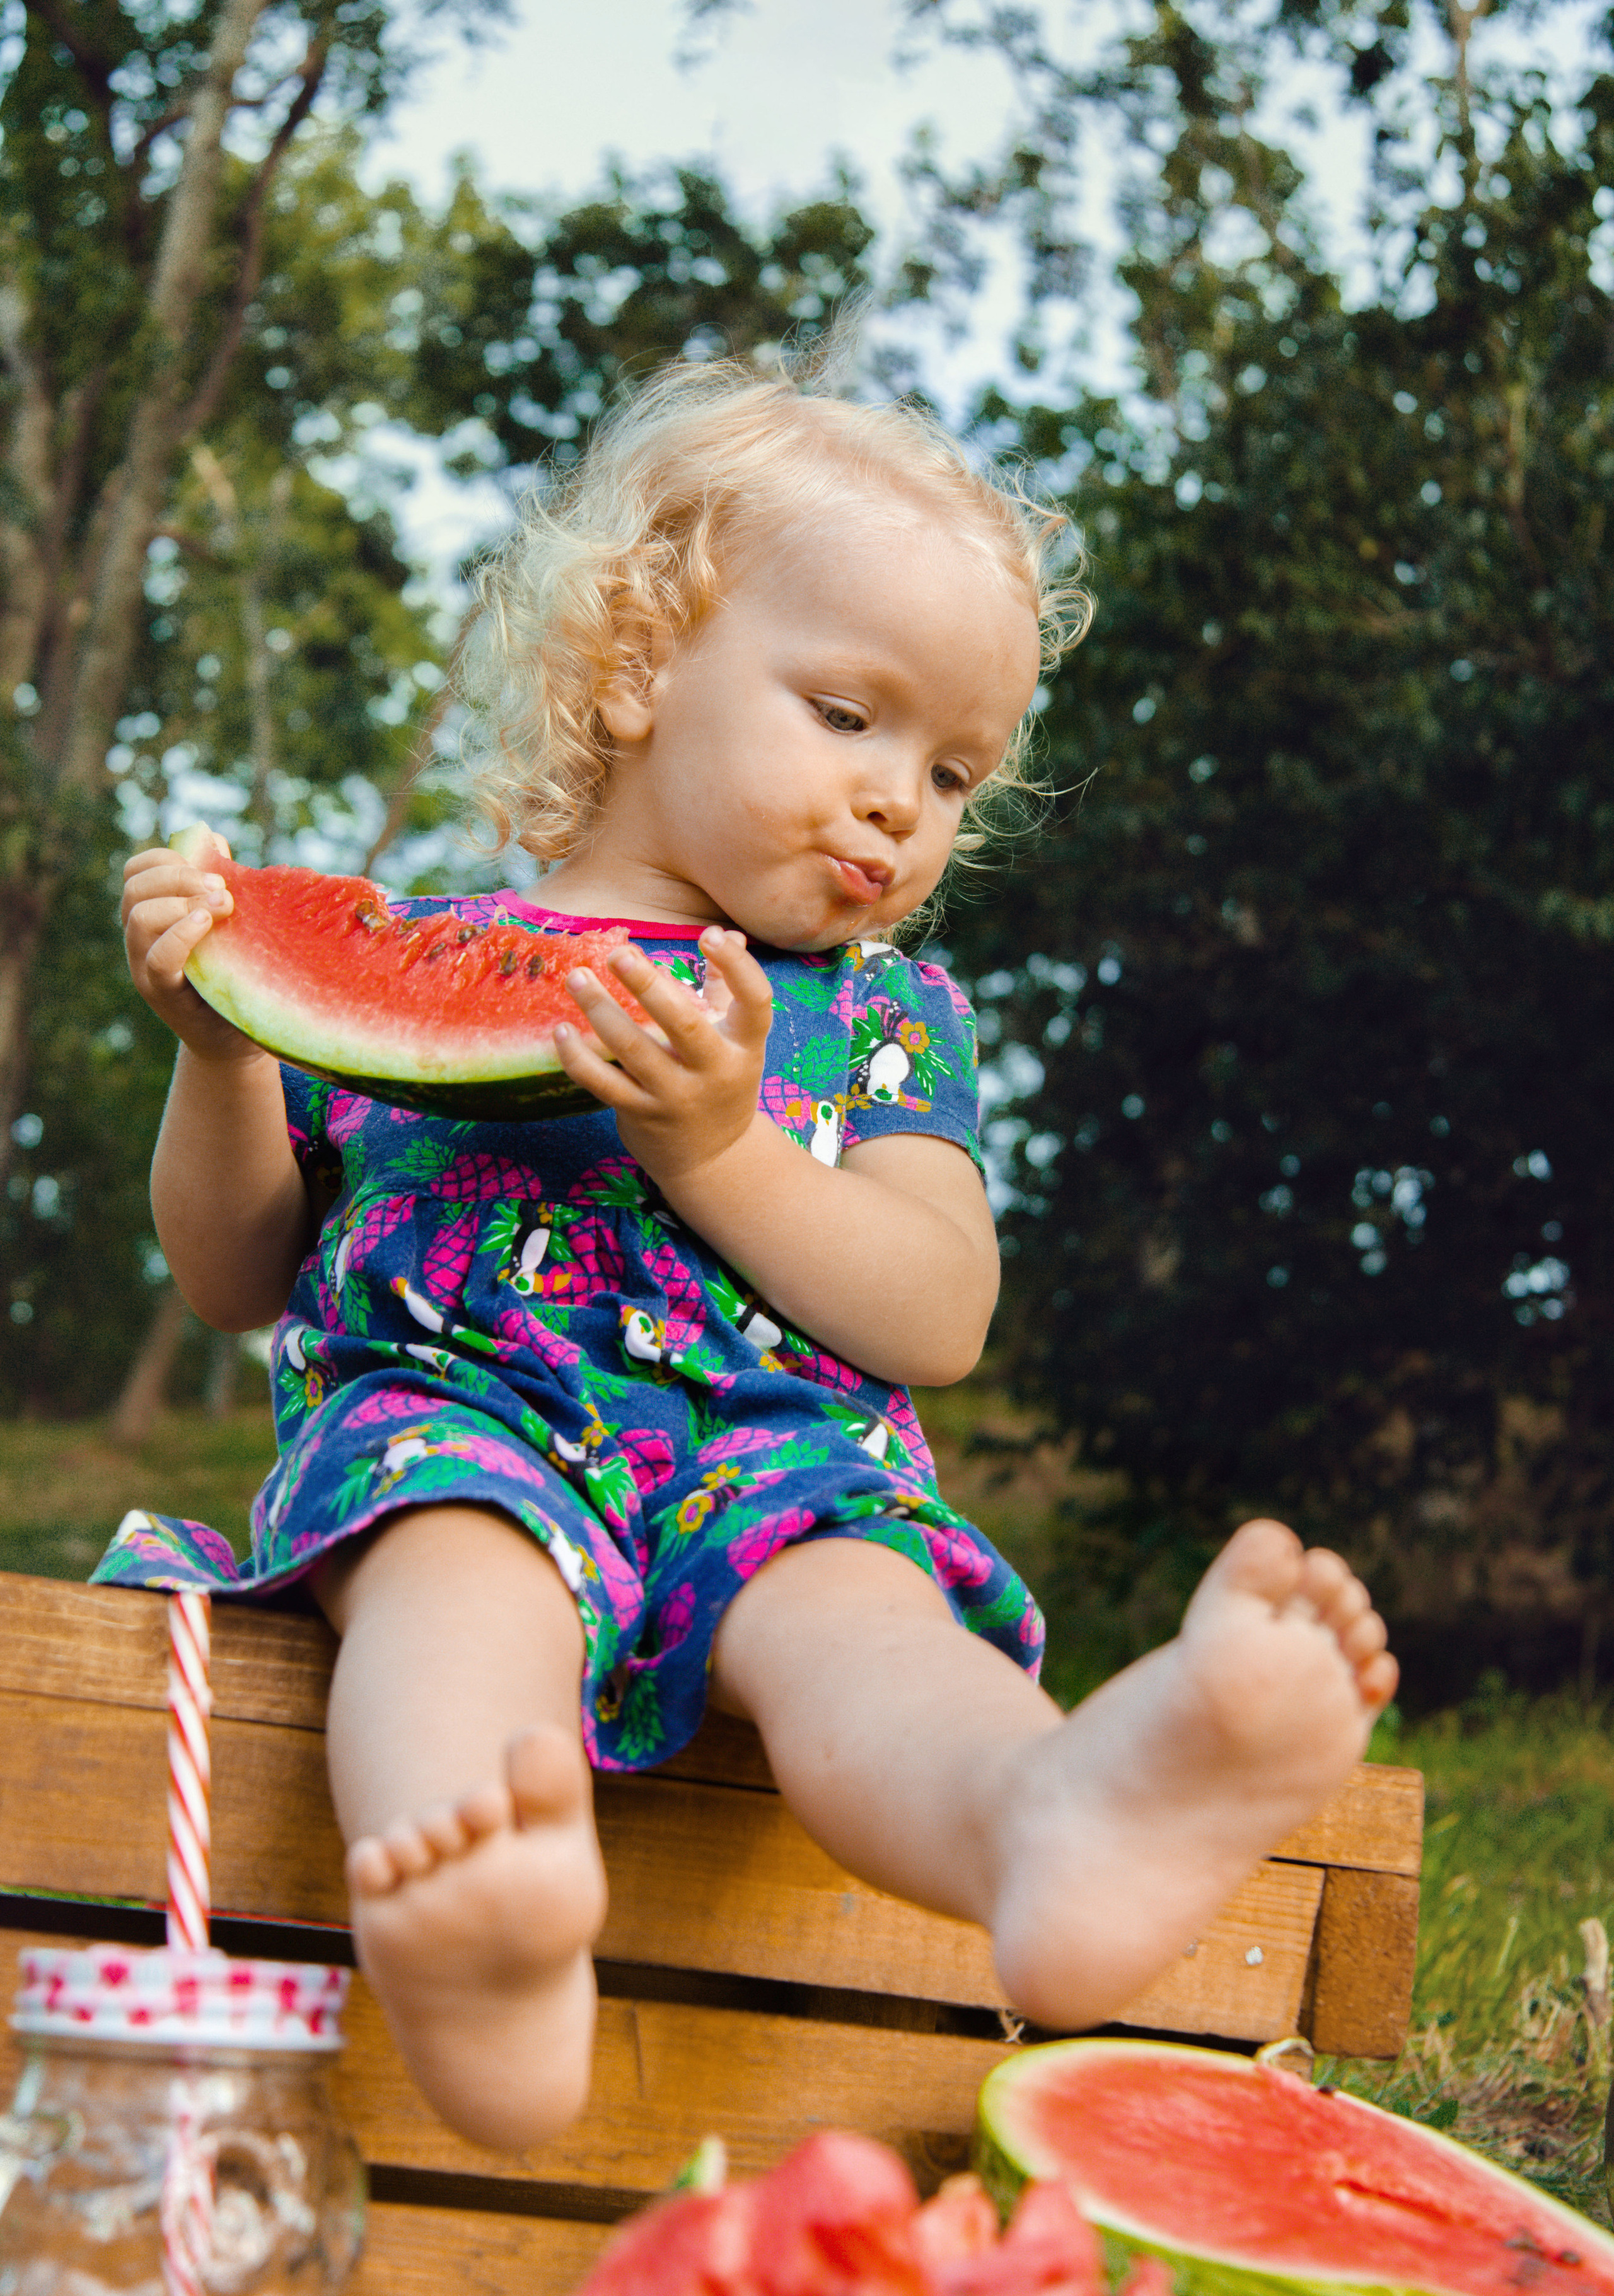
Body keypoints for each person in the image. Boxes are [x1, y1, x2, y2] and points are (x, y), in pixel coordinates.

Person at [104, 355, 1396, 2153]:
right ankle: (477, 1915)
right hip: (458, 1426)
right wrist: (222, 1050)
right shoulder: (423, 946)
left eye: (953, 771)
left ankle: (1054, 1820)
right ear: (638, 668)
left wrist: (718, 1148)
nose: (900, 803)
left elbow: (937, 1310)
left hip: (786, 1466)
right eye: (849, 715)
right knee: (449, 1578)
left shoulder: (877, 1023)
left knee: (869, 1629)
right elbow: (238, 1271)